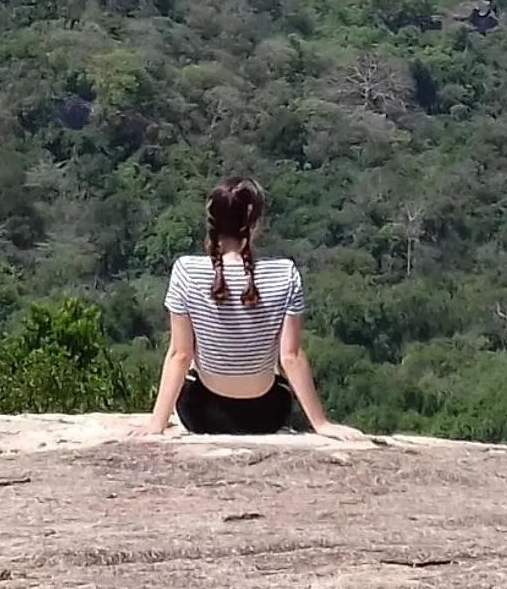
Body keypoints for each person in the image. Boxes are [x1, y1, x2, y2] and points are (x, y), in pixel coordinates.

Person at [132, 176, 364, 439]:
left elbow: (180, 355)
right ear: (254, 223)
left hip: (200, 414)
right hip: (266, 416)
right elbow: (291, 357)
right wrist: (321, 424)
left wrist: (156, 424)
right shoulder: (285, 274)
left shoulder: (186, 271)